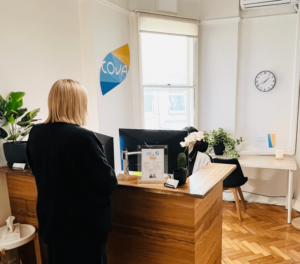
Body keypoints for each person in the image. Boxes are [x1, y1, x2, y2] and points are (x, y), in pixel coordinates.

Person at [26, 79, 117, 264]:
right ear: (77, 105)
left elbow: (36, 169)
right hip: (83, 228)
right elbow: (108, 183)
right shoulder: (83, 137)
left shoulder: (36, 133)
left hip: (51, 222)